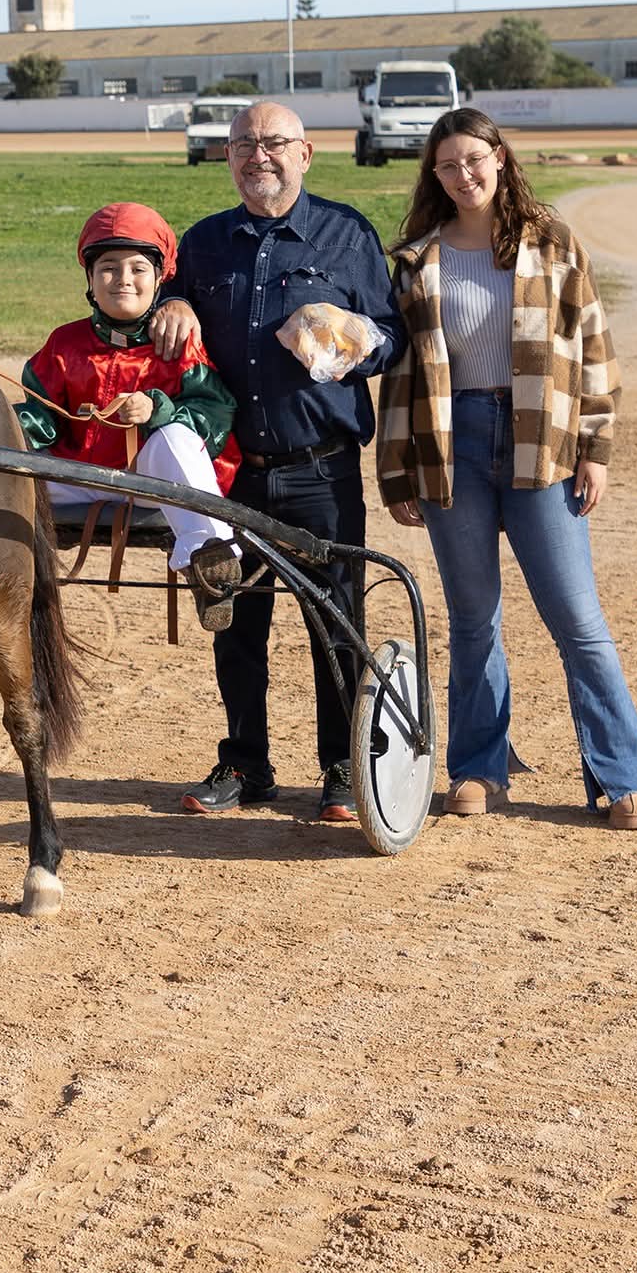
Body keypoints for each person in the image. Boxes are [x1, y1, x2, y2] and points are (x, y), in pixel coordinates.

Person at [376, 107, 637, 830]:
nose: (463, 175)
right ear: (434, 175)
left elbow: (594, 349)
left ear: (500, 158)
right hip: (451, 444)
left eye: (475, 158)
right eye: (448, 165)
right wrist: (399, 474)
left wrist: (595, 449)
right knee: (473, 621)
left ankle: (623, 774)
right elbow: (400, 376)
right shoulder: (416, 259)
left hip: (545, 443)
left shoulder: (553, 246)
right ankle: (478, 769)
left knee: (577, 619)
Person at [150, 101, 407, 821]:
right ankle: (245, 763)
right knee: (235, 620)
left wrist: (348, 337)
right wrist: (176, 303)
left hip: (321, 468)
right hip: (232, 470)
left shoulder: (346, 233)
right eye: (242, 145)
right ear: (226, 157)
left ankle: (342, 766)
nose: (257, 156)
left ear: (306, 153)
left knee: (335, 621)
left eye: (273, 144)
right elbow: (166, 301)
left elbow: (395, 339)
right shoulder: (202, 244)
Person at [17, 202, 244, 632]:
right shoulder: (63, 344)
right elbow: (39, 419)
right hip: (79, 481)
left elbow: (215, 416)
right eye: (108, 268)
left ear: (160, 279)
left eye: (138, 268)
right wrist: (4, 425)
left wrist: (159, 411)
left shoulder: (179, 345)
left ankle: (210, 562)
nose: (123, 280)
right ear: (89, 279)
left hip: (157, 486)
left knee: (175, 438)